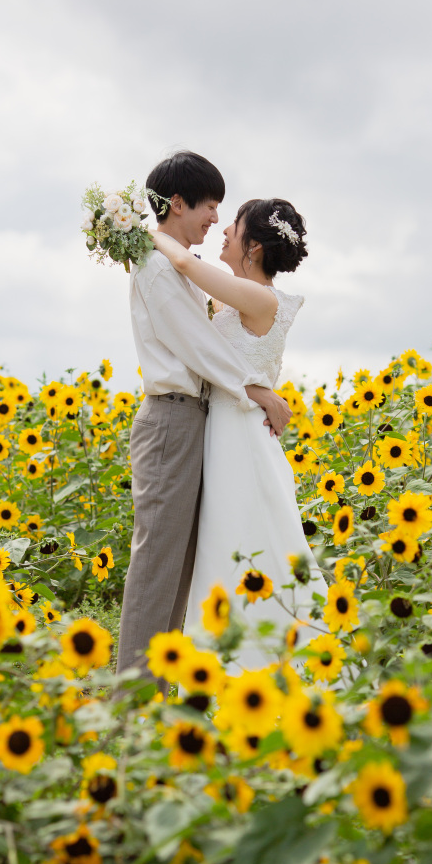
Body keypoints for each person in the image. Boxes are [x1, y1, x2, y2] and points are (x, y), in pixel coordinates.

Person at [116, 152, 292, 677]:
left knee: (181, 567)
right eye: (210, 205)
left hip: (193, 420)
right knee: (156, 566)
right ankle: (132, 701)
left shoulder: (175, 265)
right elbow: (197, 346)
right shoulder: (155, 266)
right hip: (170, 419)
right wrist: (255, 389)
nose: (215, 218)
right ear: (177, 203)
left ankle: (157, 690)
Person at [150, 195, 328, 669]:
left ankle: (256, 661)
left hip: (241, 437)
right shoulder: (237, 296)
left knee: (243, 538)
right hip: (227, 427)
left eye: (234, 225)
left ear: (253, 248)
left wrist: (137, 228)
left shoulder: (260, 296)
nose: (224, 231)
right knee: (233, 540)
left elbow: (185, 262)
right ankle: (236, 659)